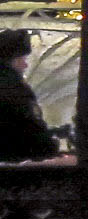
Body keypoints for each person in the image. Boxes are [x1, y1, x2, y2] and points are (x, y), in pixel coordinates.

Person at [0, 33, 59, 162]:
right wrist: (52, 147)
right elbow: (31, 130)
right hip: (15, 168)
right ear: (11, 59)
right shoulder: (15, 90)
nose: (25, 65)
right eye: (23, 59)